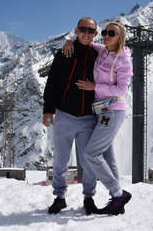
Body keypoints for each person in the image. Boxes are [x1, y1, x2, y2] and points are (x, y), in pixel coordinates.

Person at [63, 21, 133, 215]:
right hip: (100, 111)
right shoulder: (103, 50)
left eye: (112, 33)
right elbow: (85, 41)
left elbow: (121, 90)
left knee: (91, 154)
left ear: (120, 37)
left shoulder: (123, 60)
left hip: (112, 111)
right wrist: (69, 40)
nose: (107, 36)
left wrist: (95, 88)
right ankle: (116, 201)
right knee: (108, 156)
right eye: (105, 32)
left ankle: (118, 194)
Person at [42, 17, 100, 215]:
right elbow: (52, 83)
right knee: (60, 159)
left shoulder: (98, 54)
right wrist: (48, 110)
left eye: (90, 30)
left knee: (89, 160)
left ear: (95, 34)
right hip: (65, 115)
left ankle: (89, 198)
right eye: (83, 29)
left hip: (88, 117)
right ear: (76, 30)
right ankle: (60, 197)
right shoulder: (65, 52)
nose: (86, 33)